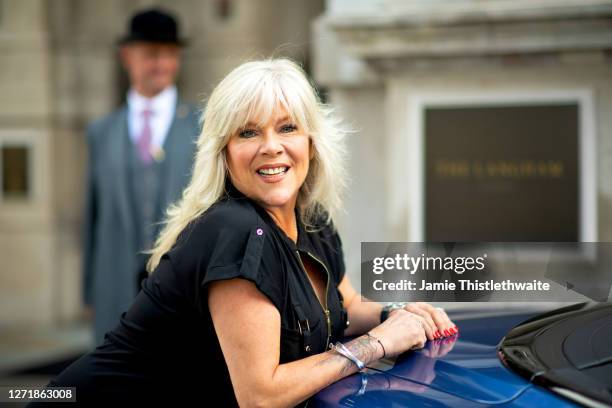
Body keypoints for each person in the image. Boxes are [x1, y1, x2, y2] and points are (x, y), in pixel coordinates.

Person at [44, 59, 457, 406]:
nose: (271, 146)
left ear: (312, 143)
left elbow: (344, 305)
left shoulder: (311, 221)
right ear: (224, 153)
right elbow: (261, 396)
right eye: (248, 132)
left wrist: (400, 314)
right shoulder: (236, 230)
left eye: (287, 128)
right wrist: (379, 343)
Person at [82, 8, 199, 345]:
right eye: (150, 54)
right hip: (115, 288)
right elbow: (93, 214)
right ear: (126, 56)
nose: (160, 64)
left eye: (168, 54)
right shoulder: (101, 132)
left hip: (182, 292)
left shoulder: (203, 126)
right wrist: (90, 289)